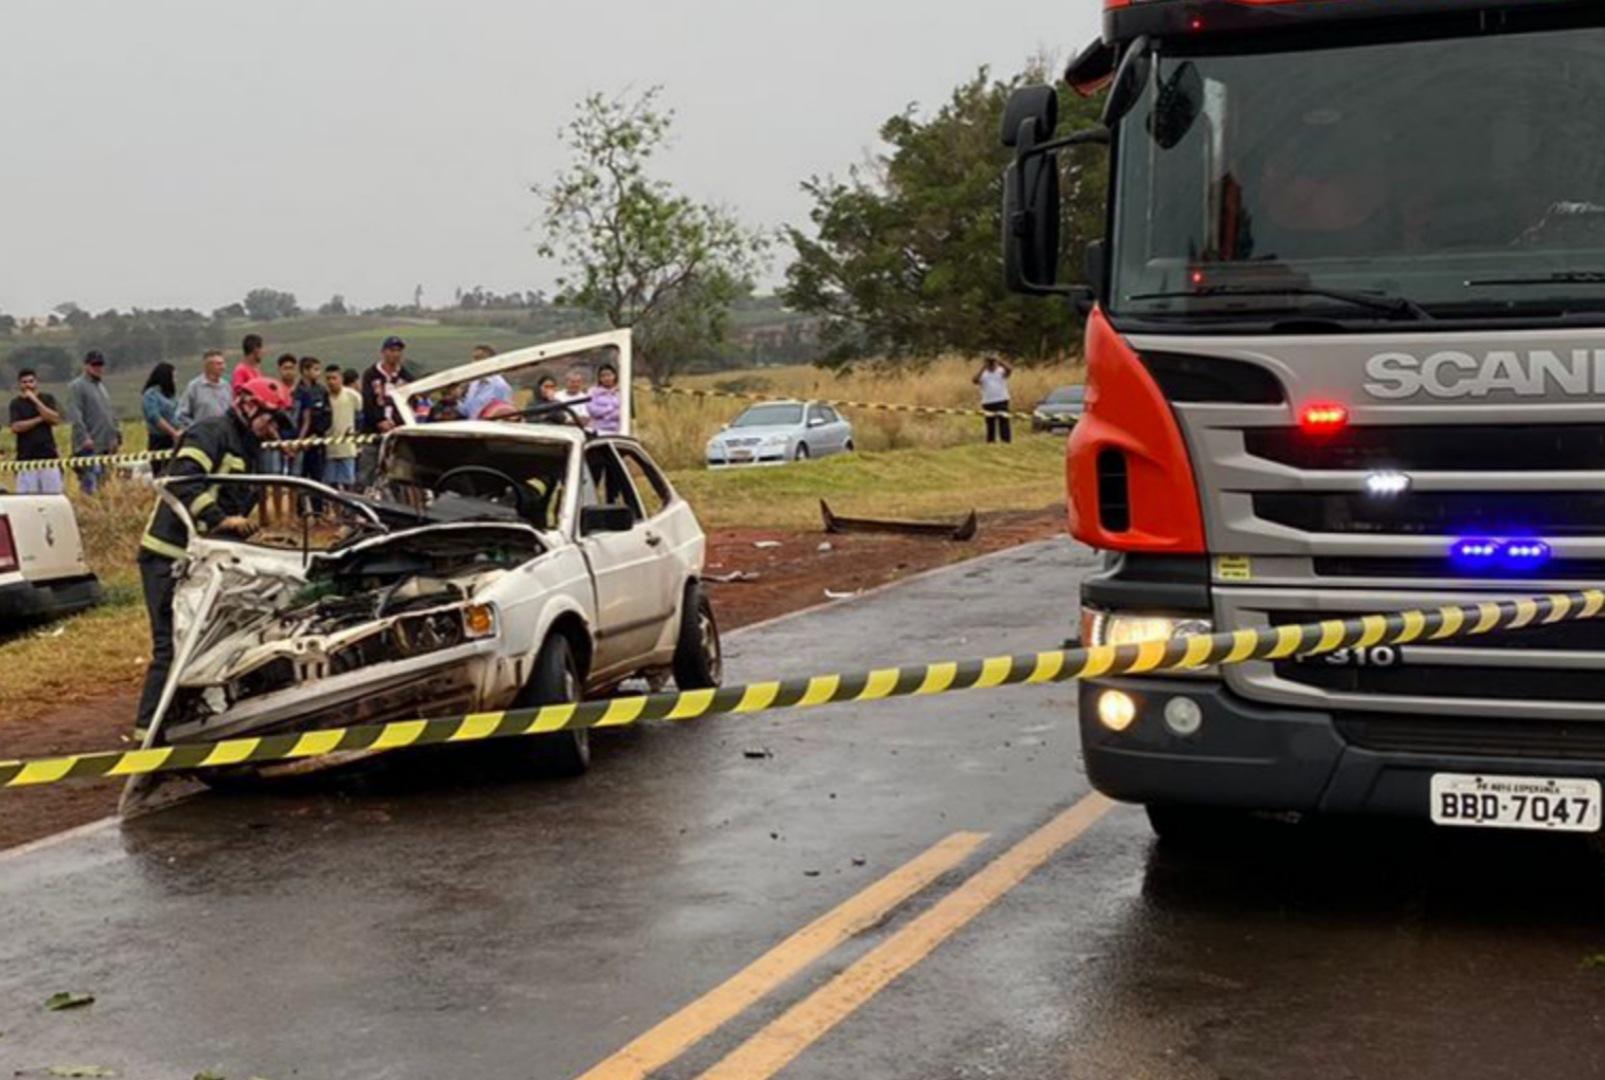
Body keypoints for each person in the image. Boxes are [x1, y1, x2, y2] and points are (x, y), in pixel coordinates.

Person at [135, 377, 292, 738]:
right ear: (249, 406)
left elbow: (237, 504)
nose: (273, 430)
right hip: (169, 555)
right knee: (172, 647)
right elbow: (181, 483)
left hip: (207, 560)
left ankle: (189, 725)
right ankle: (148, 739)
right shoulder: (210, 432)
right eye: (270, 420)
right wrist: (220, 519)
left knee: (209, 644)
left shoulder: (250, 448)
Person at [358, 336, 416, 484]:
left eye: (399, 350)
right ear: (383, 352)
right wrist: (379, 421)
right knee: (367, 472)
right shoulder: (371, 374)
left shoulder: (406, 377)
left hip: (397, 434)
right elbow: (368, 401)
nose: (395, 354)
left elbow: (412, 403)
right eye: (392, 350)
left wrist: (398, 422)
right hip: (373, 432)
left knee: (397, 475)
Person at [67, 350, 121, 494]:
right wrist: (84, 437)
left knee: (104, 484)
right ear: (86, 366)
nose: (98, 368)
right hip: (88, 447)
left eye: (101, 365)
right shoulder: (77, 386)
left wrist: (115, 436)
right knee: (90, 484)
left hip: (104, 445)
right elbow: (75, 414)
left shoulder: (101, 387)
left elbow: (110, 413)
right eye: (95, 364)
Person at [7, 369, 65, 495]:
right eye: (24, 382)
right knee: (27, 499)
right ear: (19, 384)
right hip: (26, 459)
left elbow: (55, 419)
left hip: (48, 457)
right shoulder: (16, 404)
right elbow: (16, 427)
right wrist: (40, 419)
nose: (28, 385)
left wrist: (35, 400)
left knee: (53, 497)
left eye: (31, 381)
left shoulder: (47, 398)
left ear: (36, 382)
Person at [322, 366, 362, 490]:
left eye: (334, 378)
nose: (331, 381)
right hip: (329, 448)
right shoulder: (323, 396)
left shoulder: (353, 396)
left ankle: (349, 508)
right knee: (331, 485)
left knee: (348, 482)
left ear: (341, 379)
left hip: (347, 447)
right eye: (328, 378)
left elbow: (360, 416)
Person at [293, 356, 332, 483]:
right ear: (305, 371)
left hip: (317, 441)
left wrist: (316, 434)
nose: (318, 373)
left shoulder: (322, 391)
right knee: (299, 479)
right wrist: (300, 439)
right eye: (315, 369)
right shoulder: (296, 392)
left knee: (318, 479)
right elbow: (295, 418)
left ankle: (318, 504)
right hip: (300, 443)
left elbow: (327, 415)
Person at [260, 353, 300, 475]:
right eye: (285, 368)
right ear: (279, 370)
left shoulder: (301, 391)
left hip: (297, 443)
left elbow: (305, 419)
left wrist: (299, 442)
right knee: (274, 476)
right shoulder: (273, 391)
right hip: (276, 441)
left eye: (291, 368)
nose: (288, 372)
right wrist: (280, 443)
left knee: (296, 477)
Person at [141, 362, 182, 471]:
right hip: (159, 440)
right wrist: (173, 432)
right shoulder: (151, 395)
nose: (175, 380)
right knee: (160, 470)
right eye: (173, 377)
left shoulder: (172, 395)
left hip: (174, 440)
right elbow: (154, 417)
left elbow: (178, 414)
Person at [177, 349, 231, 426]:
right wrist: (196, 429)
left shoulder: (226, 386)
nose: (223, 367)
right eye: (219, 364)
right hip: (202, 436)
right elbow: (181, 415)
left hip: (223, 435)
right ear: (208, 366)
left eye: (223, 363)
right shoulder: (194, 387)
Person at [461, 345, 513, 420]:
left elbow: (506, 413)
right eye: (473, 358)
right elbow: (467, 410)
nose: (473, 362)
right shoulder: (474, 384)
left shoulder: (500, 386)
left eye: (478, 358)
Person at [973, 355, 1014, 444]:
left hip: (1002, 399)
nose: (991, 365)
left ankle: (1005, 441)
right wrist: (983, 368)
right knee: (990, 423)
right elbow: (975, 380)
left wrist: (1000, 362)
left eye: (992, 362)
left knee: (1004, 422)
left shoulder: (1001, 370)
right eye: (989, 363)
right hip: (988, 401)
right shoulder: (983, 373)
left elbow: (1010, 370)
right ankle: (991, 441)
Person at [589, 363, 623, 435]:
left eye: (609, 375)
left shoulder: (621, 392)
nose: (606, 378)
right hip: (599, 430)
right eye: (603, 376)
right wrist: (610, 409)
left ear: (614, 376)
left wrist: (605, 416)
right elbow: (593, 411)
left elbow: (622, 412)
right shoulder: (593, 391)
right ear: (599, 378)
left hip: (618, 430)